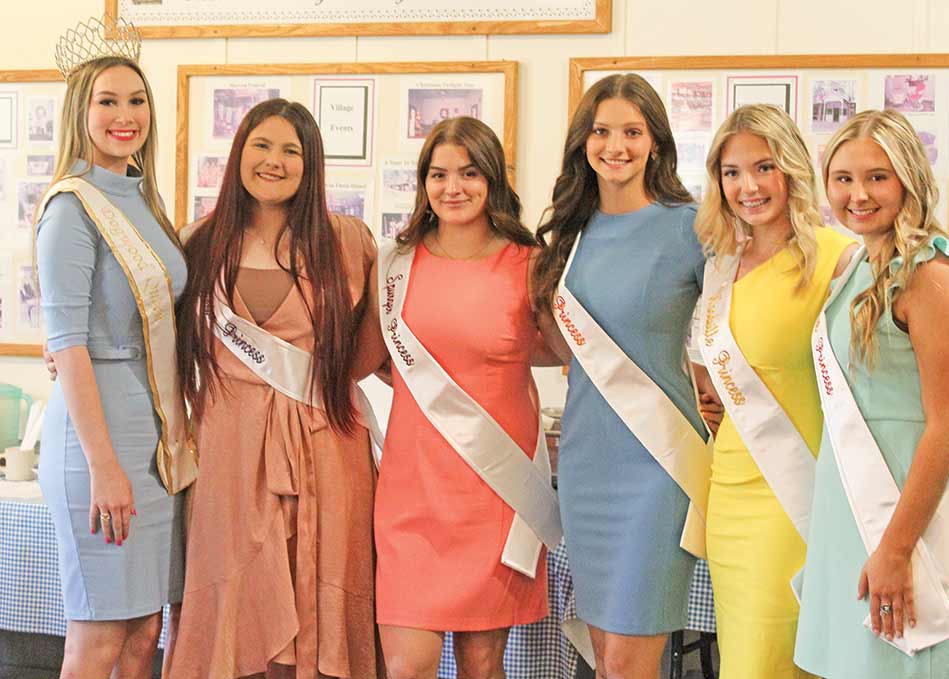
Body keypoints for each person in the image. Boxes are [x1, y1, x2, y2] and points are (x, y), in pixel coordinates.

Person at [166, 98, 384, 678]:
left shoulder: (348, 241)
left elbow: (372, 350)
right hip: (228, 454)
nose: (274, 161)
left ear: (311, 165)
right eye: (262, 145)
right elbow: (157, 337)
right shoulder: (198, 243)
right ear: (239, 152)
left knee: (322, 596)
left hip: (326, 445)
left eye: (292, 150)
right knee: (235, 596)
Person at [531, 73, 721, 679]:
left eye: (632, 132)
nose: (616, 145)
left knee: (633, 659)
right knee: (608, 660)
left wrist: (719, 396)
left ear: (656, 143)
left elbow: (729, 332)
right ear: (583, 143)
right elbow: (562, 345)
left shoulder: (692, 228)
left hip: (658, 467)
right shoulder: (569, 235)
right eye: (602, 131)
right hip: (588, 464)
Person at [795, 109, 949, 679]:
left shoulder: (932, 272)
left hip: (907, 519)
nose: (857, 194)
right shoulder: (859, 264)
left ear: (909, 177)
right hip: (850, 511)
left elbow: (948, 424)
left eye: (877, 177)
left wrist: (897, 548)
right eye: (843, 178)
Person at [371, 116, 563, 679]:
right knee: (408, 667)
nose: (452, 187)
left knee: (483, 666)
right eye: (438, 174)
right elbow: (367, 358)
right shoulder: (394, 263)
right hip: (412, 491)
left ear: (493, 180)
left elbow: (567, 352)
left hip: (495, 489)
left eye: (469, 173)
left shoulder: (529, 264)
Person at [36, 24, 195, 679]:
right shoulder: (72, 208)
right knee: (100, 634)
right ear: (81, 109)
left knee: (145, 629)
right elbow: (67, 342)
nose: (125, 115)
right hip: (99, 441)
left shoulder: (144, 202)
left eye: (137, 100)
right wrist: (104, 466)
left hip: (155, 439)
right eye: (108, 101)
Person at [691, 103, 856, 679]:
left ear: (791, 168)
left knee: (776, 661)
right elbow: (708, 371)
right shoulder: (721, 265)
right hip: (729, 489)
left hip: (798, 491)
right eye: (732, 172)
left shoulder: (839, 259)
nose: (748, 186)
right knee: (744, 657)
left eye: (763, 167)